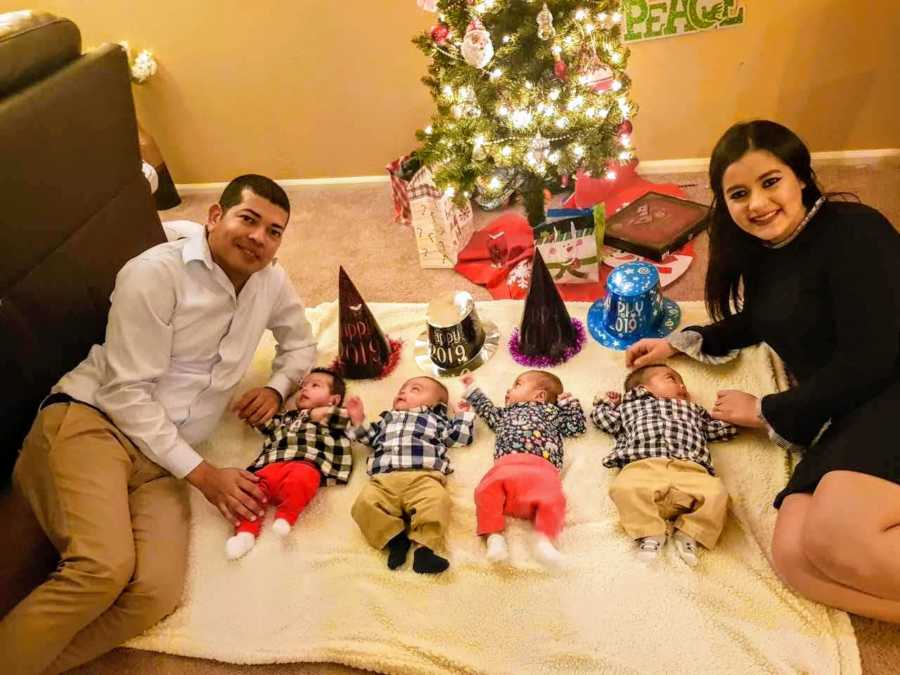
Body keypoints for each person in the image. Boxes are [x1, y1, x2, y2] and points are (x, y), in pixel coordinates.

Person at [0, 175, 318, 673]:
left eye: (274, 231)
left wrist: (277, 388)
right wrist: (206, 476)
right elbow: (125, 392)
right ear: (215, 216)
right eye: (248, 220)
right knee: (104, 569)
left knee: (156, 593)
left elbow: (300, 344)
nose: (260, 238)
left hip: (162, 462)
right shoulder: (154, 275)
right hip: (95, 422)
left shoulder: (272, 281)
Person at [625, 120, 900, 621]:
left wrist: (768, 409)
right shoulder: (765, 253)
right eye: (738, 193)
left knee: (836, 536)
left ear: (800, 176)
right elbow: (762, 319)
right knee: (795, 557)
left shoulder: (857, 231)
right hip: (843, 409)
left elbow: (875, 356)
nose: (756, 204)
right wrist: (678, 344)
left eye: (770, 182)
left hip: (888, 388)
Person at [591, 365, 737, 566]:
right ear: (642, 389)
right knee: (622, 488)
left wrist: (729, 415)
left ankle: (690, 533)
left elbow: (720, 431)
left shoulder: (694, 410)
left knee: (718, 494)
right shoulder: (629, 408)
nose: (682, 385)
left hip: (691, 469)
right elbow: (604, 421)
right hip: (643, 466)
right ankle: (650, 532)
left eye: (682, 381)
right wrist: (605, 402)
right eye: (672, 378)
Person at [347, 376, 475, 574]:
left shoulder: (435, 419)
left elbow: (458, 438)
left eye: (415, 389)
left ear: (436, 405)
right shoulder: (386, 419)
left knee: (436, 502)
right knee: (363, 504)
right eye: (402, 389)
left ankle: (424, 550)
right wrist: (358, 420)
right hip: (383, 481)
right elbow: (368, 437)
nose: (403, 392)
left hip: (424, 477)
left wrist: (462, 416)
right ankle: (395, 539)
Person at [460, 370, 585, 566]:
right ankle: (494, 537)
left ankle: (544, 541)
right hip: (506, 465)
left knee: (555, 498)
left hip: (542, 468)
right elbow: (487, 411)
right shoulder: (504, 413)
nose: (509, 389)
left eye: (517, 384)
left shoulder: (552, 412)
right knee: (485, 490)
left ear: (540, 395)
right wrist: (472, 389)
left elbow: (576, 427)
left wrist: (570, 404)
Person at [225, 368, 352, 560]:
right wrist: (249, 410)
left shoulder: (332, 416)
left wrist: (325, 412)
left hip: (305, 463)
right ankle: (245, 533)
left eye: (314, 385)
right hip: (271, 465)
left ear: (333, 400)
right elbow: (265, 424)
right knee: (249, 492)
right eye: (303, 385)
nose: (305, 389)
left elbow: (351, 422)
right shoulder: (286, 417)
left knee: (303, 479)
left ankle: (287, 515)